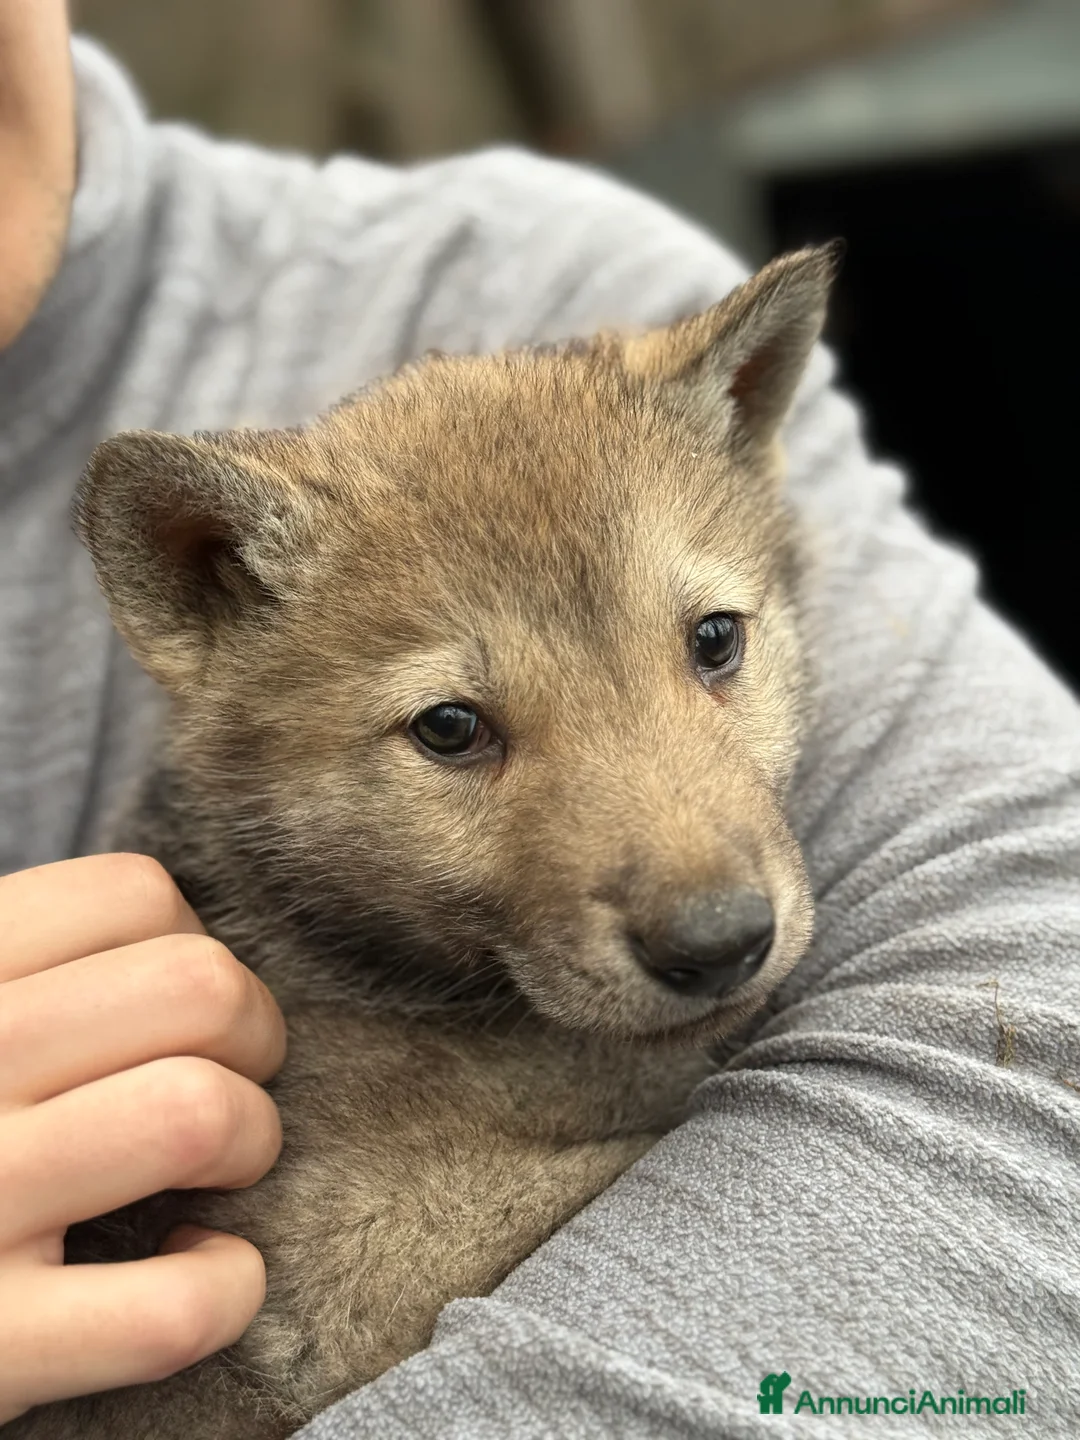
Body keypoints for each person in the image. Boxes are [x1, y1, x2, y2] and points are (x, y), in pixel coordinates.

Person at [2, 5, 1078, 1436]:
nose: (703, 896)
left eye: (711, 647)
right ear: (210, 584)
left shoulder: (551, 271)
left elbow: (1023, 1081)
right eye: (454, 731)